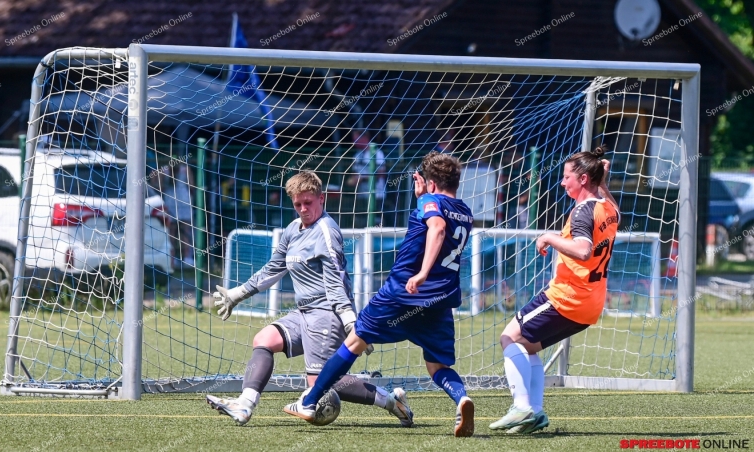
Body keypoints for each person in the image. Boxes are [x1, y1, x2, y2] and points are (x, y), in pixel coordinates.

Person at [284, 152, 477, 438]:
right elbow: (439, 221)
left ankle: (309, 401)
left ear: (430, 183)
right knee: (437, 365)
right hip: (439, 299)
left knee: (355, 341)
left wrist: (421, 273)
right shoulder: (464, 211)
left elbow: (436, 228)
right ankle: (461, 398)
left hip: (403, 291)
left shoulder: (430, 202)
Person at [206, 171, 413, 427]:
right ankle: (245, 404)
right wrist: (237, 294)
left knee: (323, 382)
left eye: (308, 203)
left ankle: (391, 401)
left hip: (327, 313)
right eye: (298, 204)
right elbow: (274, 268)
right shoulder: (293, 229)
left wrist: (350, 322)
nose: (303, 209)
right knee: (264, 340)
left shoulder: (326, 231)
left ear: (321, 199)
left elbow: (336, 281)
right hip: (303, 312)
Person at [489, 146, 620, 434]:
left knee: (509, 337)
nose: (562, 182)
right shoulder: (607, 207)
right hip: (590, 305)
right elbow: (614, 210)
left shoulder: (584, 211)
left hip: (567, 297)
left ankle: (521, 407)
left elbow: (584, 251)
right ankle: (534, 413)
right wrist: (604, 184)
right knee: (528, 345)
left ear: (583, 179)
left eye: (566, 177)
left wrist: (548, 235)